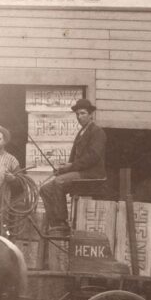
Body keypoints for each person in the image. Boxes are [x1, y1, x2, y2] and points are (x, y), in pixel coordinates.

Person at [39, 98, 107, 234]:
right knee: (45, 189)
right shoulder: (81, 132)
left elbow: (92, 157)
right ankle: (55, 223)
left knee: (59, 182)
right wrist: (62, 169)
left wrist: (69, 167)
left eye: (82, 113)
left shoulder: (97, 132)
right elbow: (73, 158)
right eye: (77, 114)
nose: (79, 117)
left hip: (92, 174)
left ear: (91, 114)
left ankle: (62, 223)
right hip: (80, 172)